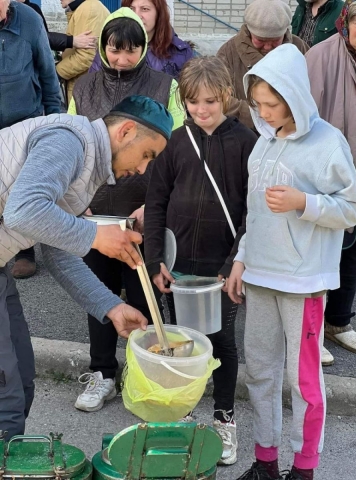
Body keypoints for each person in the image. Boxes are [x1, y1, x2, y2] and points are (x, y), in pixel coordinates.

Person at [0, 94, 173, 441]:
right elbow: (23, 211)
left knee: (21, 380)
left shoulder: (88, 166)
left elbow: (60, 251)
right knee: (6, 399)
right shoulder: (69, 140)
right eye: (146, 156)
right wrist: (95, 235)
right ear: (125, 131)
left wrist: (110, 306)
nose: (142, 170)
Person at [227, 44, 356, 480]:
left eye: (271, 104)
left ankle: (304, 469)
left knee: (303, 380)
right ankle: (265, 461)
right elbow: (255, 214)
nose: (262, 114)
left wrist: (304, 202)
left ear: (295, 98)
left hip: (303, 281)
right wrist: (241, 261)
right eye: (258, 104)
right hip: (261, 276)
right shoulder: (262, 145)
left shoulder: (327, 143)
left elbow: (351, 209)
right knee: (260, 373)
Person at [68, 7, 185, 413]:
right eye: (114, 50)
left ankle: (144, 373)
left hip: (142, 212)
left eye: (130, 51)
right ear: (103, 47)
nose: (121, 59)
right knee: (98, 295)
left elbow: (175, 149)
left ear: (143, 48)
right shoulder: (83, 86)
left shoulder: (164, 84)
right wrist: (75, 203)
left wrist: (152, 204)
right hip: (94, 212)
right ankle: (101, 373)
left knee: (144, 294)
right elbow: (74, 145)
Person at [144, 56, 257, 466]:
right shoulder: (175, 141)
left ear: (227, 96)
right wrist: (155, 256)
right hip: (178, 263)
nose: (202, 109)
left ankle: (224, 417)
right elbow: (155, 202)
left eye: (210, 101)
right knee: (184, 342)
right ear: (184, 100)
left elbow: (252, 214)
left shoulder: (247, 142)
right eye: (194, 102)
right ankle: (187, 412)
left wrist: (235, 264)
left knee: (223, 341)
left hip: (221, 268)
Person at [305, 0, 356, 365]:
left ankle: (339, 322)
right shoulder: (321, 56)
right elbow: (305, 117)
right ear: (347, 23)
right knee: (324, 247)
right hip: (332, 163)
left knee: (354, 245)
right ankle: (312, 329)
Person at [0, 0, 61, 279]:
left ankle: (25, 250)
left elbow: (48, 76)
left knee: (22, 191)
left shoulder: (29, 20)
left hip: (25, 123)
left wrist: (57, 126)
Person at [216, 0, 309, 129]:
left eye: (275, 40)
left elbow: (312, 89)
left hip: (291, 131)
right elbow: (219, 96)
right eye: (260, 40)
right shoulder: (228, 52)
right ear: (249, 31)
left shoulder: (299, 47)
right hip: (244, 132)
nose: (268, 46)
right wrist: (258, 114)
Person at [89, 0, 195, 79]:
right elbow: (93, 86)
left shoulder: (180, 52)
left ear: (159, 14)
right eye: (131, 9)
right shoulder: (111, 46)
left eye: (145, 9)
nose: (137, 15)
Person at [56, 0, 109, 104]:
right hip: (84, 85)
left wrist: (57, 72)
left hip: (86, 88)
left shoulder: (89, 9)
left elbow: (87, 56)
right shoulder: (85, 8)